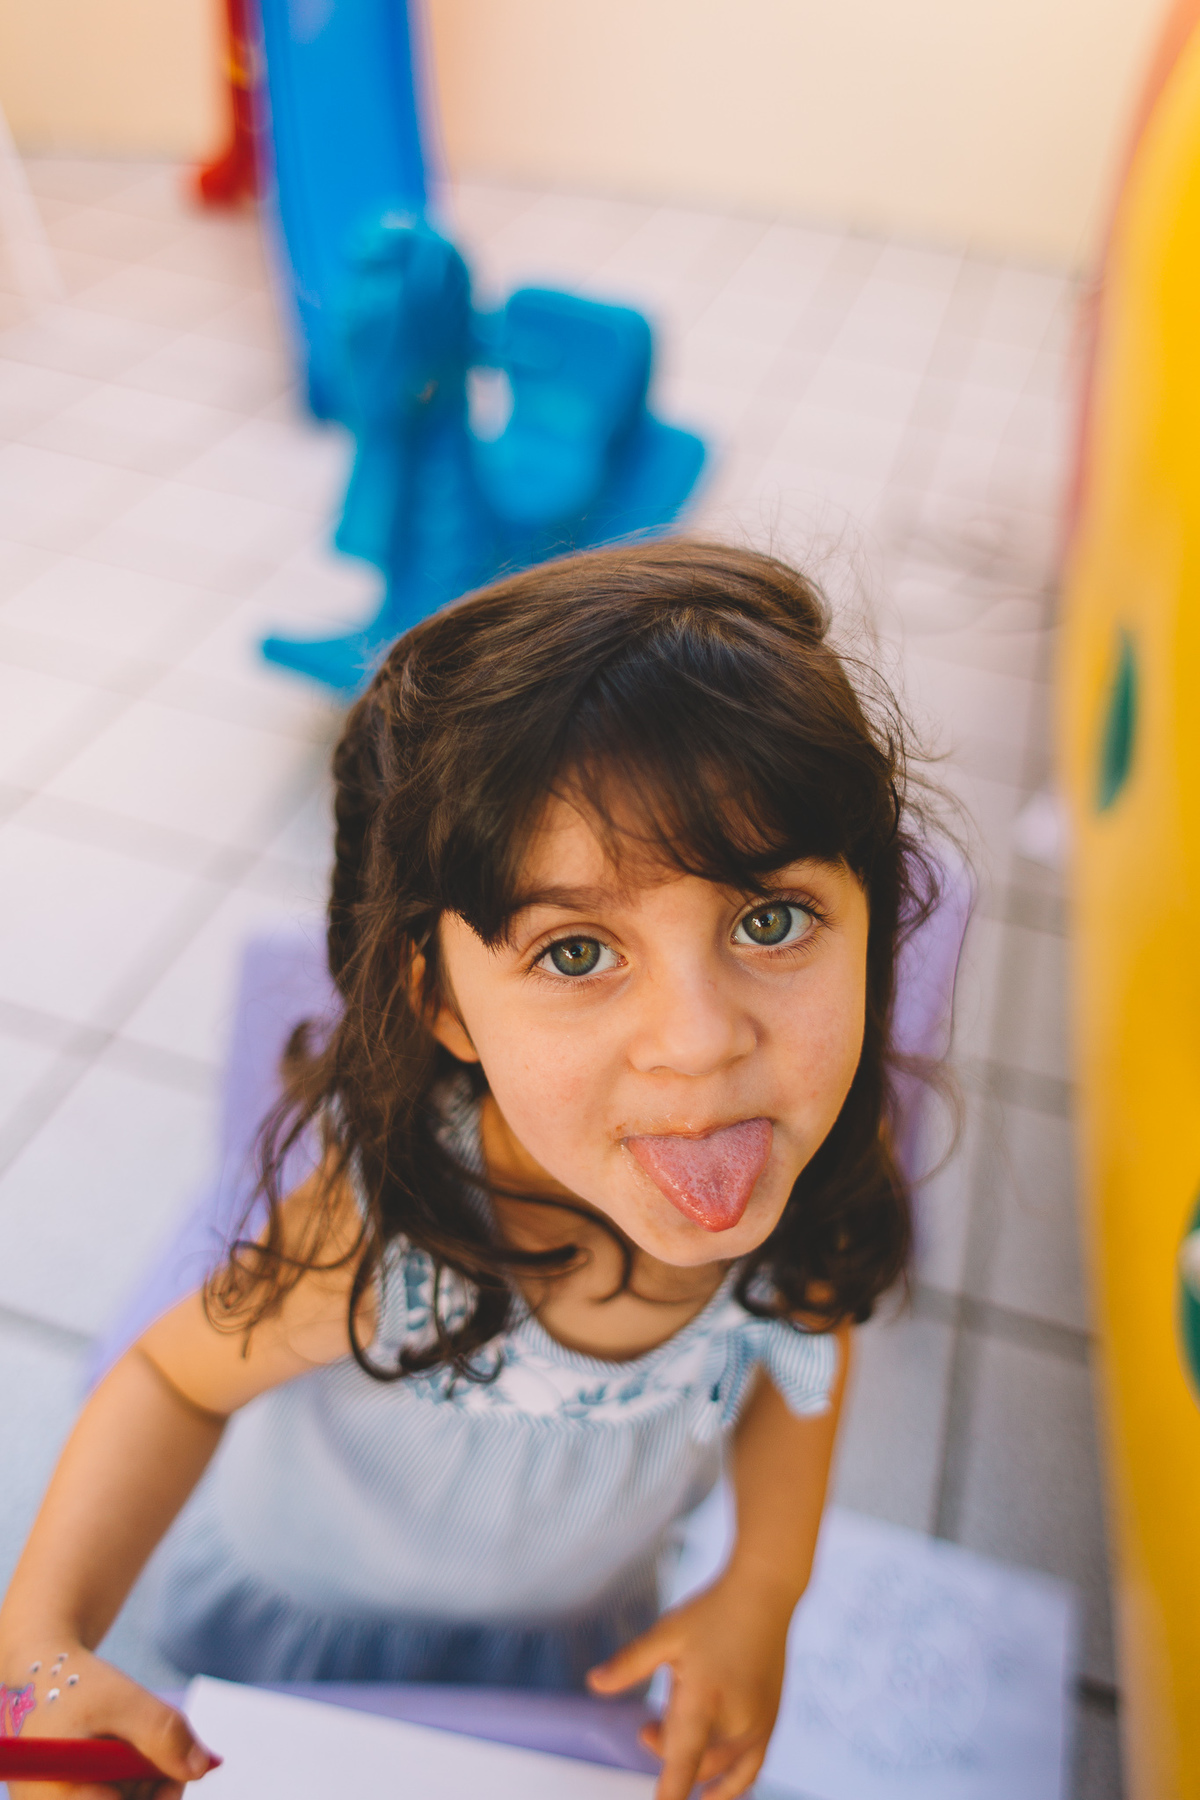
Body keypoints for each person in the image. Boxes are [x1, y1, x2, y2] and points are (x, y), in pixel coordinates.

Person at [0, 540, 942, 1800]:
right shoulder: (390, 1236)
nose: (703, 1041)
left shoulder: (817, 1171)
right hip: (298, 1641)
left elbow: (800, 1357)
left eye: (769, 921)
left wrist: (764, 1589)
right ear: (444, 1004)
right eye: (574, 953)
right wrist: (44, 1652)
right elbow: (174, 1381)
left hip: (562, 1661)